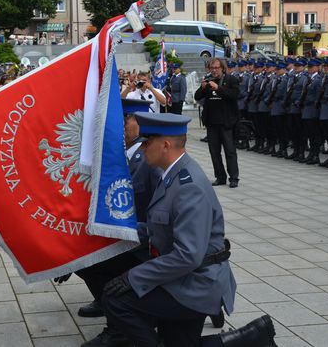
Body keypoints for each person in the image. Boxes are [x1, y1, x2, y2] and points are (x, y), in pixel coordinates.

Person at [101, 111, 276, 347]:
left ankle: (252, 337)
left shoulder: (187, 186)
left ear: (165, 145)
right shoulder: (171, 174)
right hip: (184, 277)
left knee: (116, 300)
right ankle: (252, 337)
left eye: (147, 142)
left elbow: (188, 255)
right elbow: (156, 229)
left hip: (196, 284)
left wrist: (134, 277)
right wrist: (115, 231)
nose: (142, 149)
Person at [75, 99, 161, 347]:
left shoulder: (149, 162)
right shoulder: (123, 155)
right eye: (119, 119)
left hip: (145, 242)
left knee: (96, 262)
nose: (120, 125)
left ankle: (119, 328)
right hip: (130, 235)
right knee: (81, 261)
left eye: (126, 119)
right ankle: (108, 304)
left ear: (142, 123)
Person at [193, 58, 240, 188]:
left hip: (226, 122)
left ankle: (234, 178)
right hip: (211, 122)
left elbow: (234, 95)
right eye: (211, 68)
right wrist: (202, 88)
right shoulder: (208, 80)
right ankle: (220, 177)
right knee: (214, 152)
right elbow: (197, 97)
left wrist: (218, 88)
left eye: (216, 68)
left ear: (222, 68)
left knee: (230, 151)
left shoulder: (231, 80)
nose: (214, 70)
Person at [300, 59, 323, 165]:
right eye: (308, 67)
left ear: (317, 68)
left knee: (315, 135)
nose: (309, 69)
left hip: (313, 111)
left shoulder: (318, 80)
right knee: (309, 134)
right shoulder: (309, 79)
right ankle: (311, 154)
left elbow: (317, 97)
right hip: (307, 110)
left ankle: (315, 155)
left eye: (311, 67)